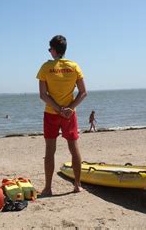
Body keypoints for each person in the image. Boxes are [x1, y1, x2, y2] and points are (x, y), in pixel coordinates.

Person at [36, 35, 87, 195]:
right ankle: (77, 185)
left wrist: (58, 109)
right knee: (74, 148)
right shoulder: (74, 66)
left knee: (50, 150)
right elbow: (83, 92)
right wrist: (69, 109)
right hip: (69, 115)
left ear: (54, 50)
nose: (49, 51)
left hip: (52, 113)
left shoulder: (46, 67)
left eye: (50, 49)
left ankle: (48, 188)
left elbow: (43, 95)